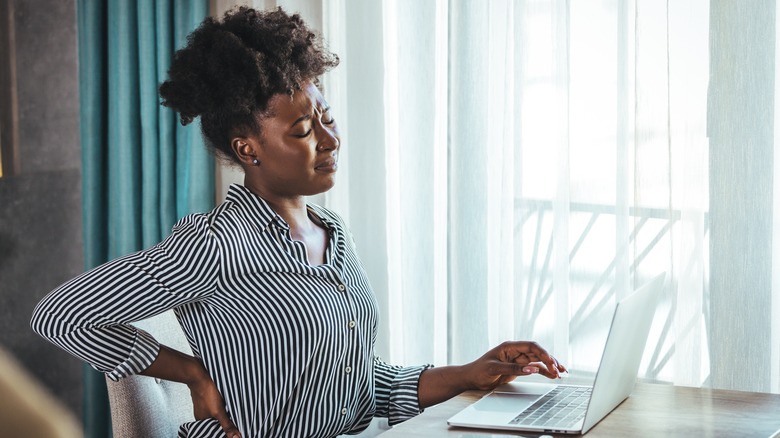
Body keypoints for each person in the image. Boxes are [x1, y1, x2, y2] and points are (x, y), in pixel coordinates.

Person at [31, 6, 566, 438]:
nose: (330, 140)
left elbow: (362, 390)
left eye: (327, 119)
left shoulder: (333, 233)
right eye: (304, 129)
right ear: (248, 147)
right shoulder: (216, 243)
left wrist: (471, 372)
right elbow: (59, 316)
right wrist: (190, 372)